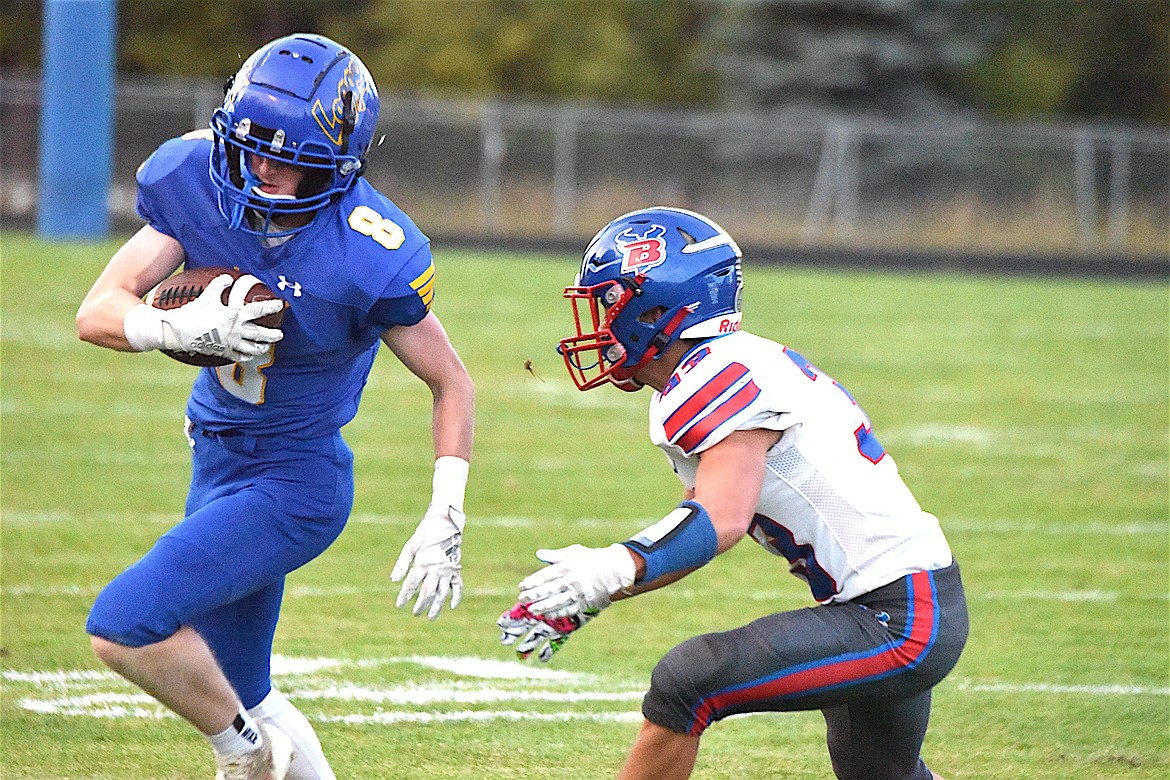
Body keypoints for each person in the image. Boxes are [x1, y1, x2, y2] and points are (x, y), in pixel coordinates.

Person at [76, 33, 474, 780]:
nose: (267, 175)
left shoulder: (369, 249)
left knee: (124, 625)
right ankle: (258, 742)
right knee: (246, 688)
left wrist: (445, 507)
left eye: (294, 162)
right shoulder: (192, 178)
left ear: (342, 167)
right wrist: (168, 325)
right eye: (255, 150)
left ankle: (245, 756)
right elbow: (96, 311)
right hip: (216, 459)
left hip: (295, 484)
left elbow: (452, 381)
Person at [497, 207, 967, 780]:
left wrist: (612, 567)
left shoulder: (716, 375)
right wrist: (598, 591)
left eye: (609, 303)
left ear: (659, 308)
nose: (598, 325)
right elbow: (700, 527)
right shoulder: (717, 366)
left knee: (688, 680)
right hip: (894, 602)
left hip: (901, 615)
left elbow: (719, 520)